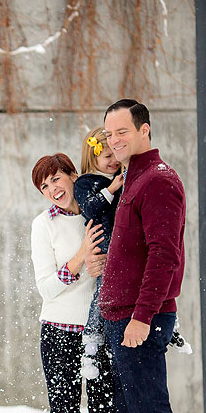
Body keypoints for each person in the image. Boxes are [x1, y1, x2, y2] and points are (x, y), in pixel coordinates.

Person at [97, 98, 187, 413]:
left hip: (139, 317)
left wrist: (143, 316)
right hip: (121, 315)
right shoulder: (132, 180)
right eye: (108, 134)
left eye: (122, 132)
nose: (113, 141)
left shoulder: (158, 180)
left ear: (145, 130)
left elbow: (164, 254)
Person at [30, 153, 124, 413]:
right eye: (44, 186)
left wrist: (102, 264)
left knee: (105, 411)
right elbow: (47, 289)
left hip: (101, 330)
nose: (53, 189)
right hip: (58, 332)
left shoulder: (97, 211)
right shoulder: (44, 225)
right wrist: (83, 257)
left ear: (74, 175)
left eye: (57, 179)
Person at [73, 128, 124, 379]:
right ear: (93, 159)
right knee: (103, 292)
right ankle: (92, 341)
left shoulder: (121, 178)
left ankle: (171, 326)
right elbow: (91, 209)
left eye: (115, 154)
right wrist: (112, 189)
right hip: (103, 245)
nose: (113, 161)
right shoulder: (85, 183)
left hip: (120, 246)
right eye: (106, 157)